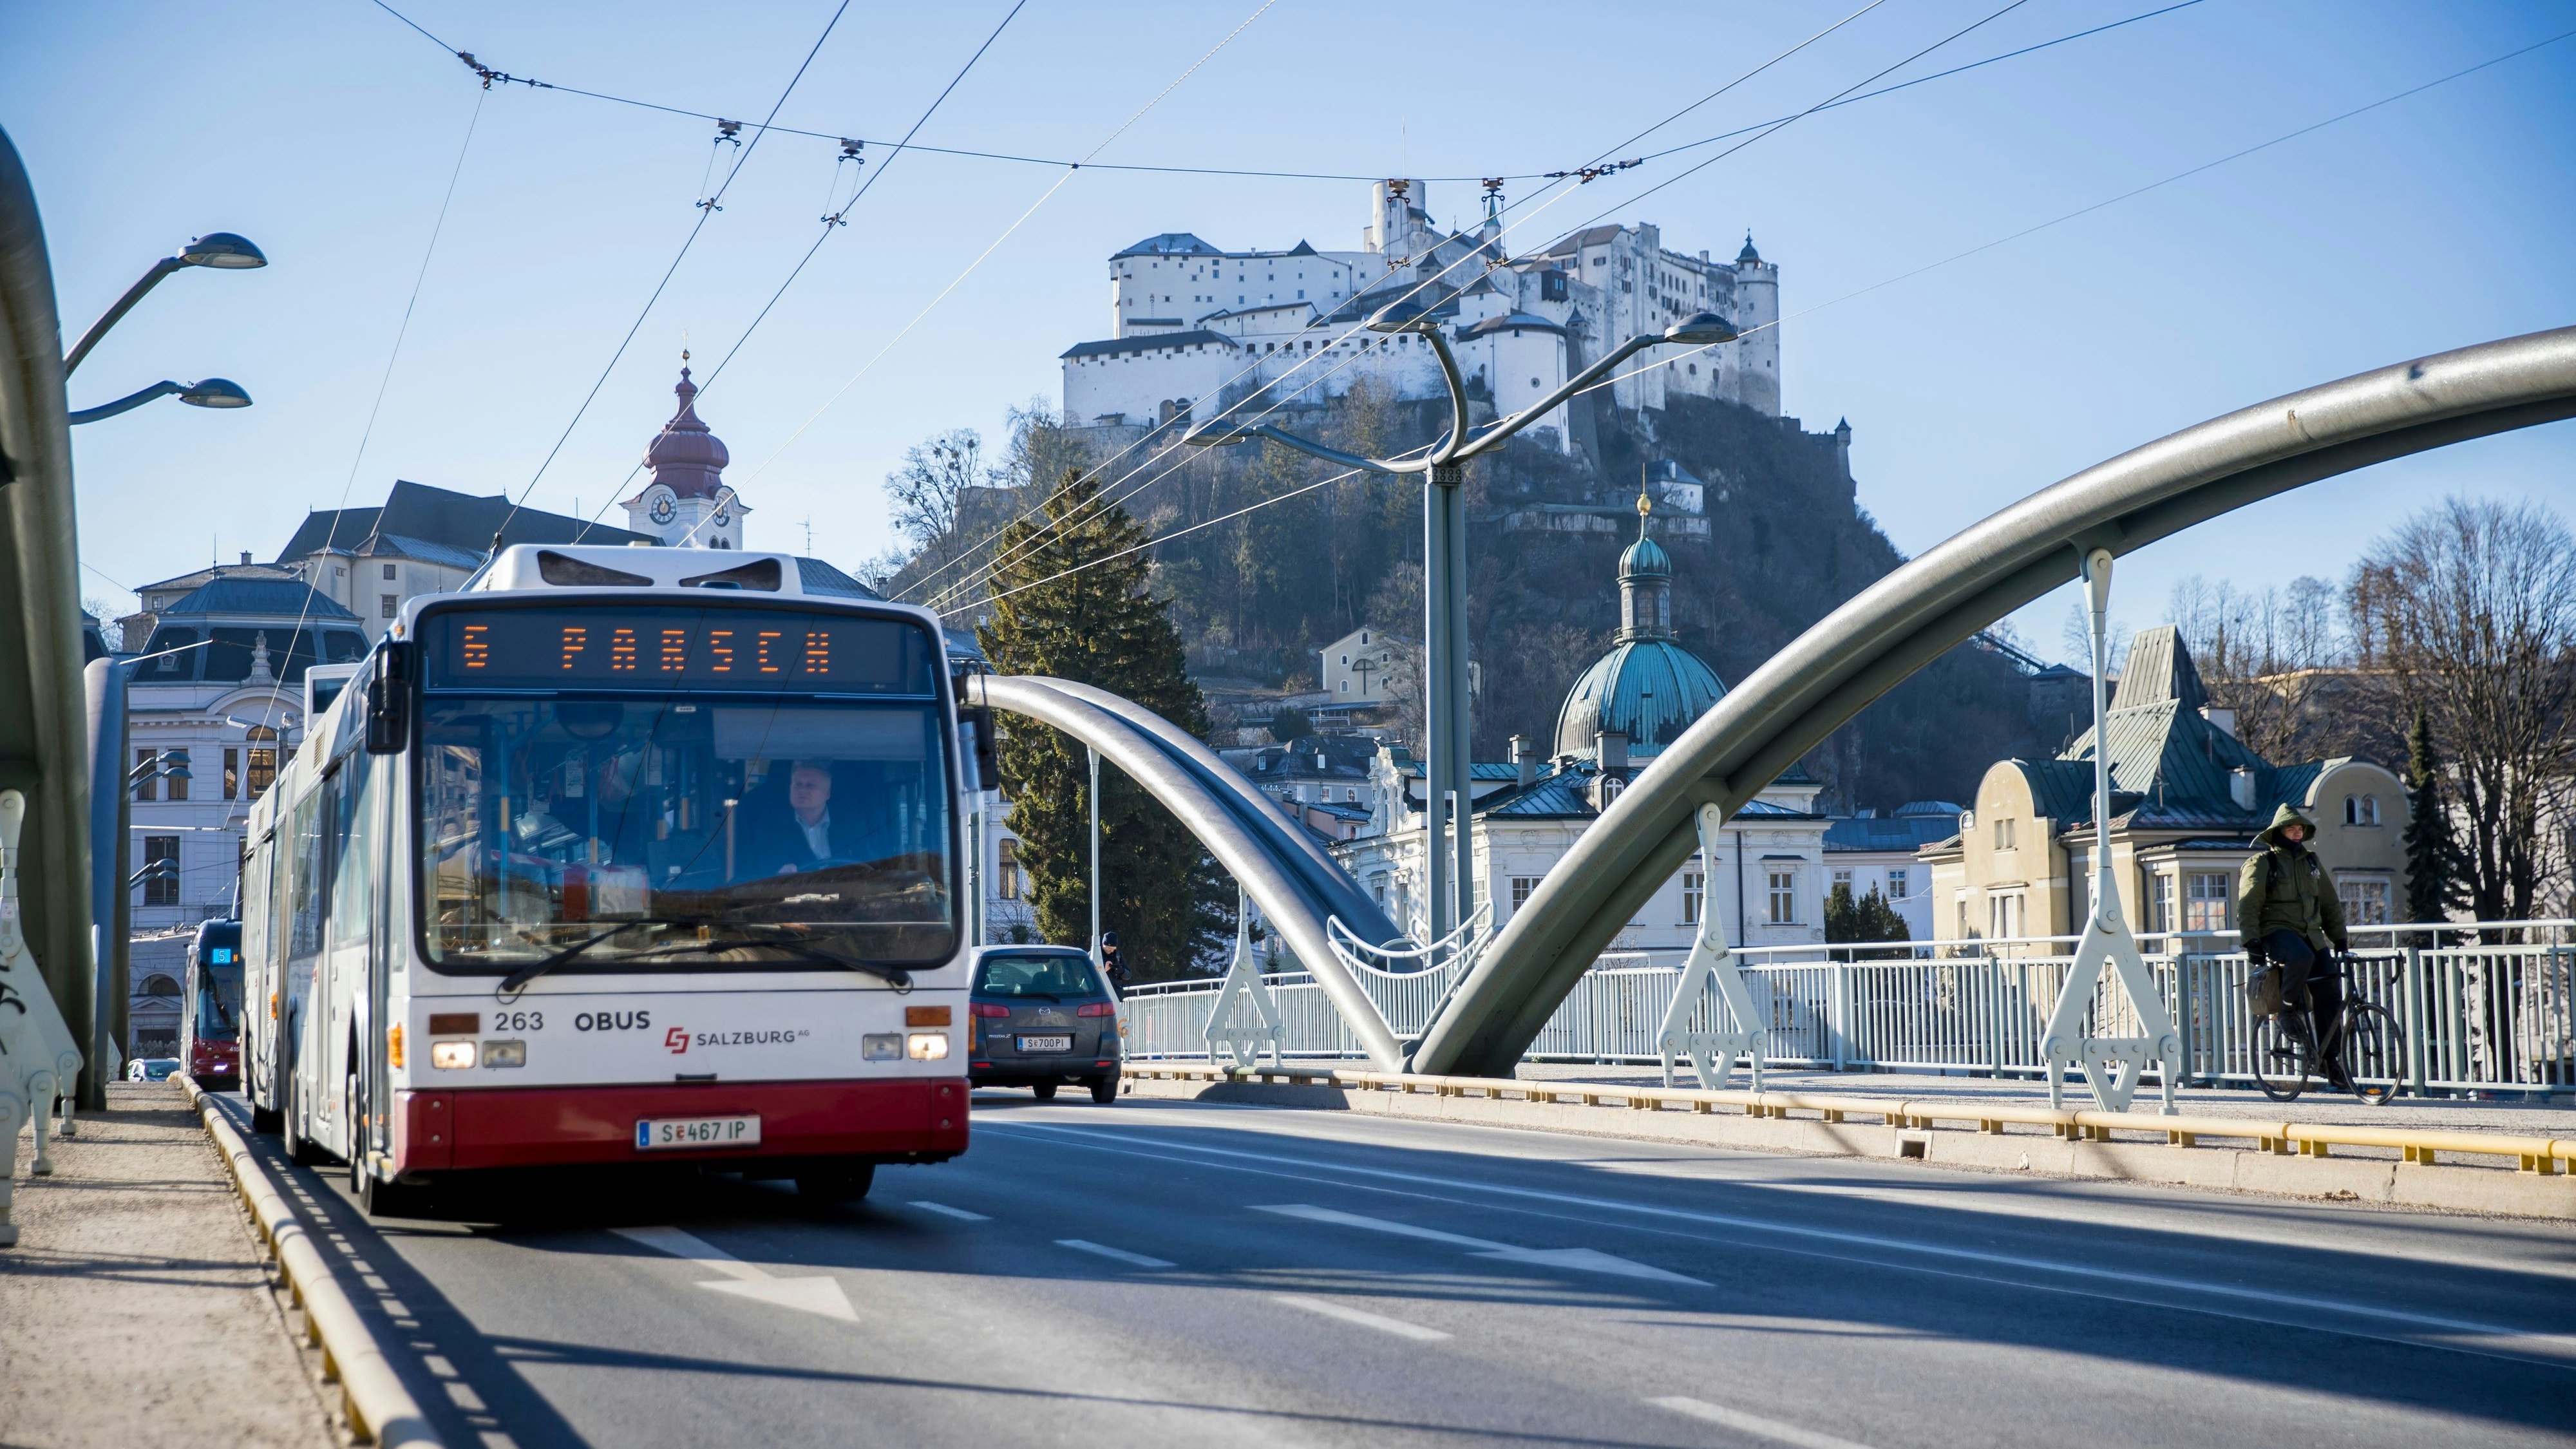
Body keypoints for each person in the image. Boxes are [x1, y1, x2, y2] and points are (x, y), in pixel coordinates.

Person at [2237, 804, 2352, 1084]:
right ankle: (2287, 1010)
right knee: (2301, 958)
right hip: (2277, 932)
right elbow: (2249, 904)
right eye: (2292, 828)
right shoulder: (2263, 863)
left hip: (2311, 933)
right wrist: (2251, 941)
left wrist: (2339, 937)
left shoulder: (2311, 862)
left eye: (2300, 828)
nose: (2297, 832)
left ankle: (2329, 1060)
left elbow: (2328, 902)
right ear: (2279, 832)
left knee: (2330, 993)